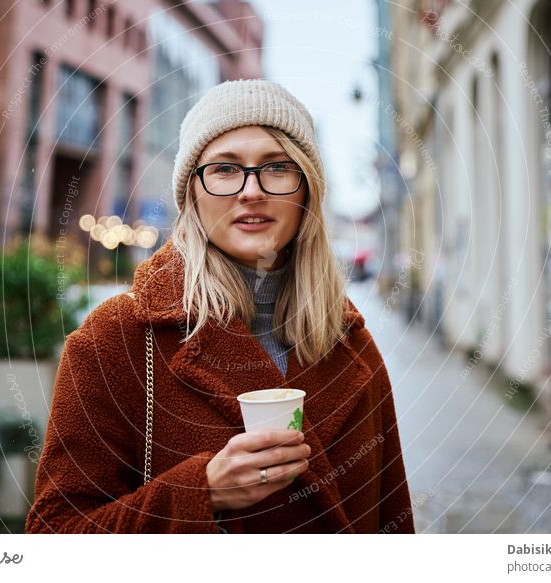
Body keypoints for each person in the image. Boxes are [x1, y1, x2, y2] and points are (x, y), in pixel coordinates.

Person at [25, 79, 414, 534]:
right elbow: (55, 530)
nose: (251, 191)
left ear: (307, 190)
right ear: (192, 193)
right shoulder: (117, 339)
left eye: (277, 167)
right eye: (225, 169)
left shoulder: (353, 347)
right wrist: (200, 493)